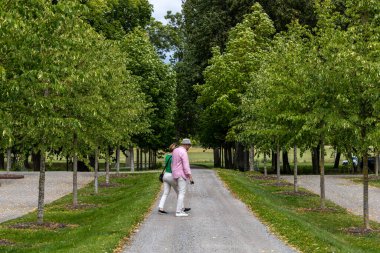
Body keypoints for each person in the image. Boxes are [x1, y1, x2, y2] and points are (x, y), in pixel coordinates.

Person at [172, 138, 194, 217]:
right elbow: (186, 166)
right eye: (189, 145)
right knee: (182, 193)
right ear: (186, 145)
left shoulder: (175, 150)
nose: (189, 147)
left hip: (175, 174)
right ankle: (178, 212)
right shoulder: (183, 152)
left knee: (180, 192)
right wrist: (190, 176)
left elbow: (172, 163)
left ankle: (181, 209)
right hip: (181, 174)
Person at [158, 143, 178, 214]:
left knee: (165, 193)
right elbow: (173, 168)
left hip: (165, 175)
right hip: (171, 175)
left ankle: (161, 207)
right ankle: (181, 208)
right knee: (179, 192)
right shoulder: (174, 157)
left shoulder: (167, 156)